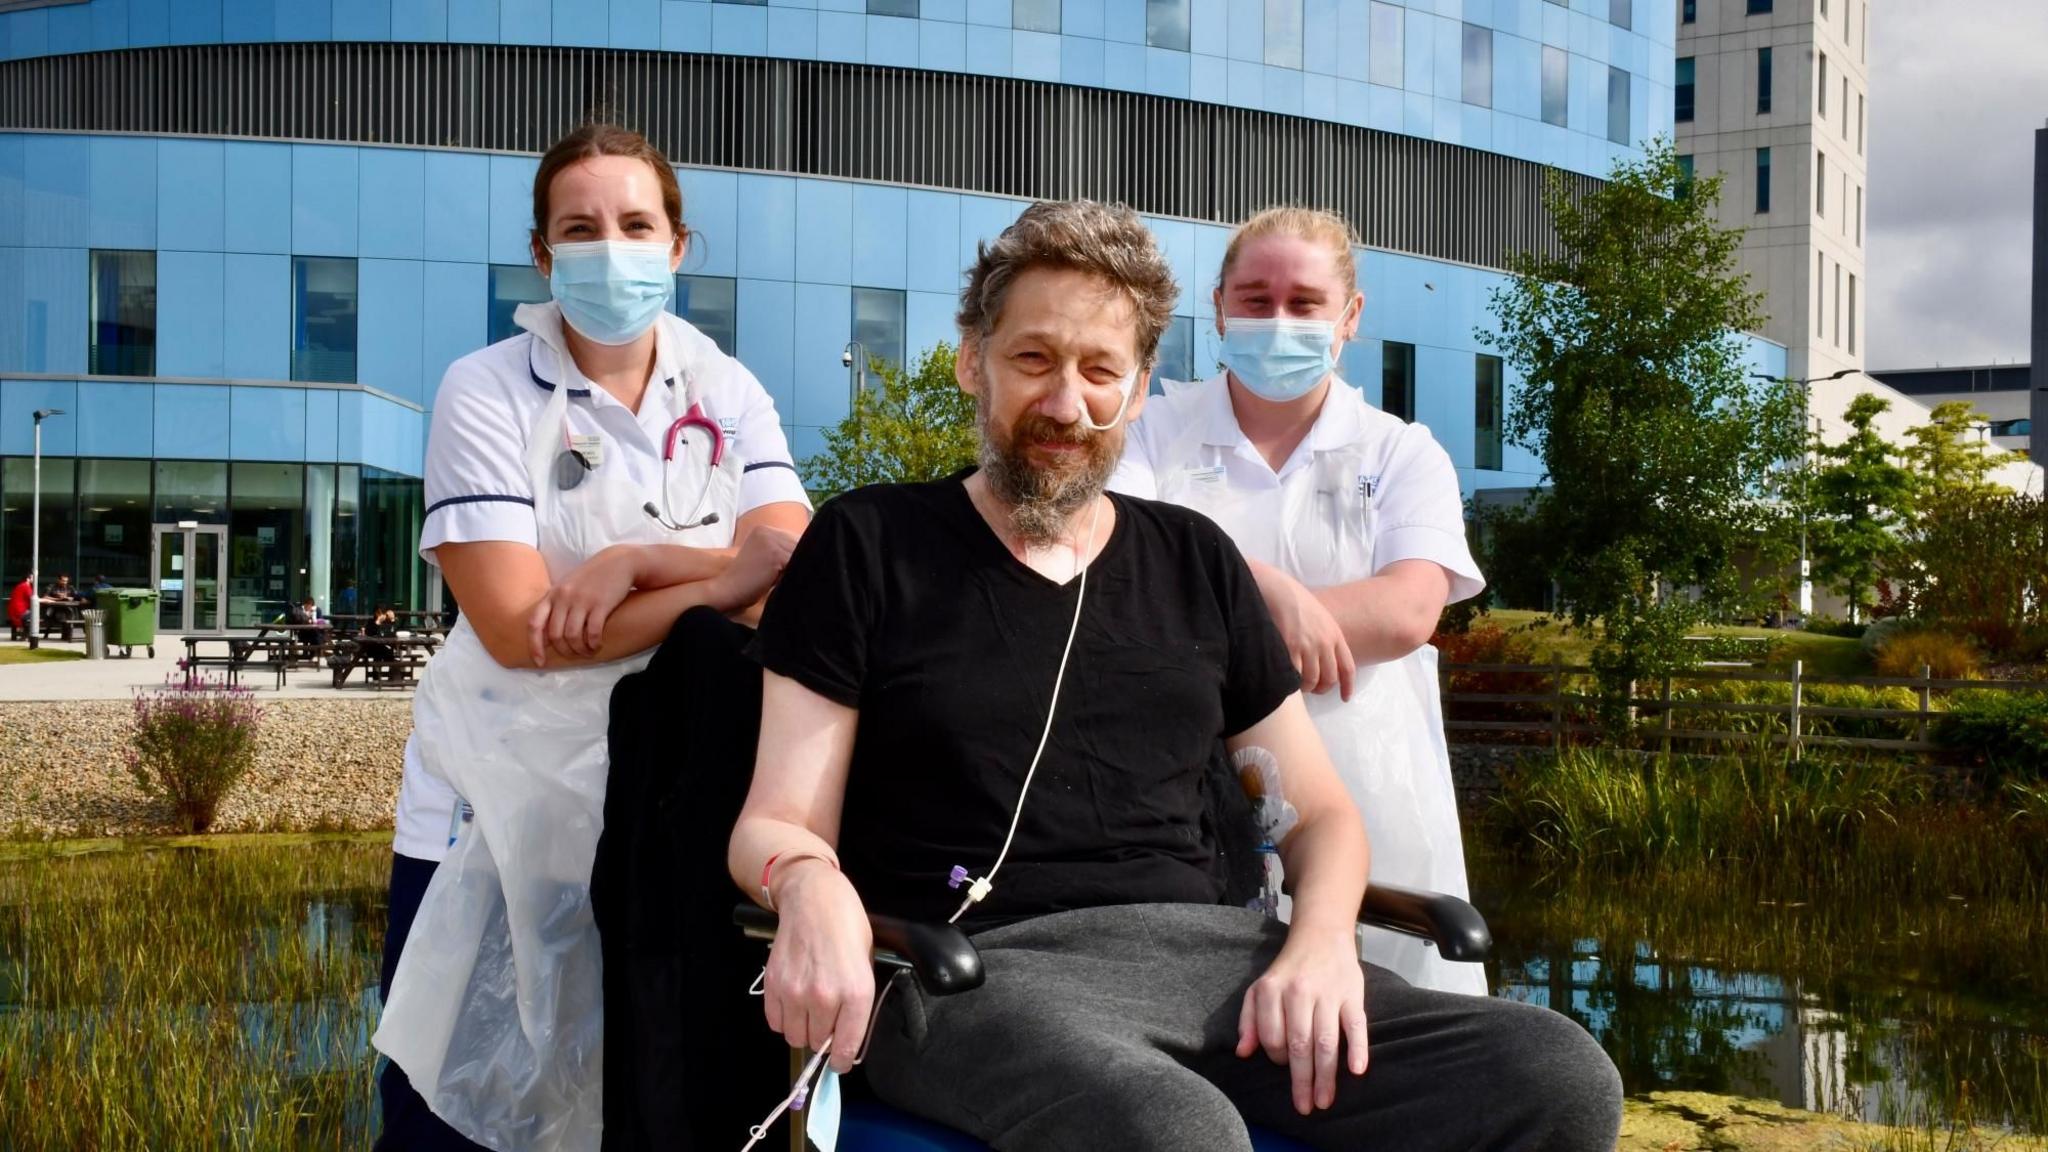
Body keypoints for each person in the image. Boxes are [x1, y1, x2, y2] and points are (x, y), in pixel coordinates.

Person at [731, 200, 1621, 1152]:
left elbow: (1315, 815)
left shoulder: (1195, 562)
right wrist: (809, 887)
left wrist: (1320, 946)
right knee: (1172, 1131)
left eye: (1101, 370)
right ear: (971, 360)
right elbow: (775, 822)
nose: (1066, 404)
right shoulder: (868, 544)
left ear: (1142, 387)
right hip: (970, 975)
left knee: (1557, 1076)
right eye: (1033, 359)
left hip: (1221, 964)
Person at [370, 123, 811, 1152]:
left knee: (636, 1099)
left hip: (664, 811)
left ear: (677, 245)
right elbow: (522, 629)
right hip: (486, 813)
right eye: (579, 228)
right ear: (541, 255)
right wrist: (722, 571)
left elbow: (791, 568)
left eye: (634, 223)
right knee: (458, 1101)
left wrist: (637, 565)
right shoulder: (483, 391)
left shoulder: (724, 390)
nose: (610, 248)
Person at [1110, 207, 1486, 995]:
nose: (1277, 320)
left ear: (1349, 316)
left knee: (1385, 1042)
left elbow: (1407, 611)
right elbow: (1120, 565)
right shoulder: (1150, 428)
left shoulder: (1403, 452)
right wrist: (1265, 593)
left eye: (1304, 302)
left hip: (1372, 797)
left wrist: (1211, 606)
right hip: (1182, 797)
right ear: (1217, 307)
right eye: (1254, 298)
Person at [7, 574, 30, 640]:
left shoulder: (19, 586)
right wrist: (48, 600)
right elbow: (32, 598)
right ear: (28, 579)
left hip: (13, 612)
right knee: (36, 615)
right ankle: (26, 634)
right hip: (19, 612)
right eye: (33, 577)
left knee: (30, 614)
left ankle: (23, 633)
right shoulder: (26, 586)